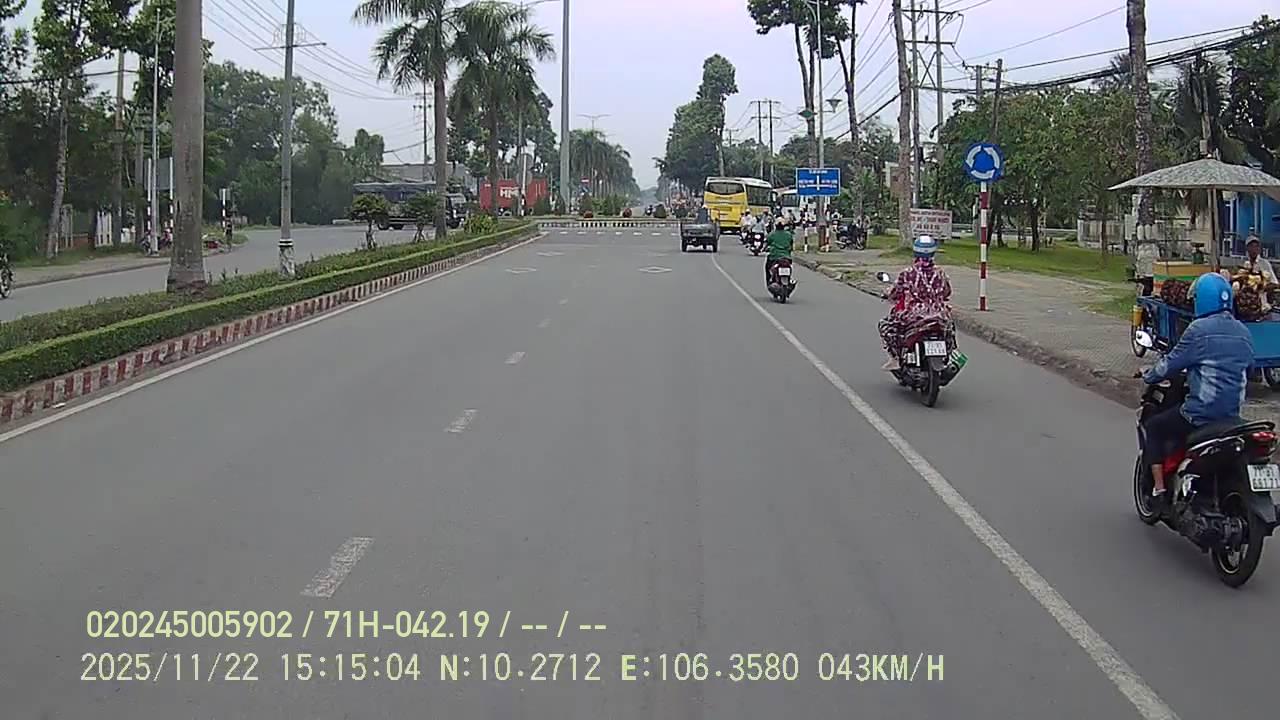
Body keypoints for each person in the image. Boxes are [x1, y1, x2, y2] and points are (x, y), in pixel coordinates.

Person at [1141, 272, 1253, 502]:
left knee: (1154, 426)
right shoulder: (1243, 331)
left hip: (1200, 415)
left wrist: (1148, 375)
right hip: (1232, 417)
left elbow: (1169, 364)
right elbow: (1249, 369)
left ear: (1202, 299)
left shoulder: (1198, 330)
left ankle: (1159, 489)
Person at [879, 236, 953, 371]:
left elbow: (895, 291)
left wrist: (888, 294)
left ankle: (896, 358)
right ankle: (950, 353)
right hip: (939, 313)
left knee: (886, 326)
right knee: (949, 329)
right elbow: (947, 292)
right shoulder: (940, 273)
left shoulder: (908, 273)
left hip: (915, 314)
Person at [765, 218, 794, 284]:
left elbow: (767, 243)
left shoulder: (772, 234)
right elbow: (791, 245)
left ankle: (769, 280)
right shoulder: (789, 235)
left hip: (774, 257)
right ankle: (789, 279)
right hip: (786, 257)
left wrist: (765, 248)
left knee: (767, 268)